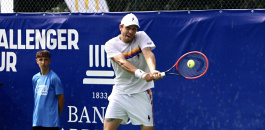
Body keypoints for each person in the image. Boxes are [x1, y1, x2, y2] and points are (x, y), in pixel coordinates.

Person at [104, 13, 163, 130]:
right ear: (121, 27)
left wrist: (153, 70)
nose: (131, 32)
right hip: (120, 93)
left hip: (141, 92)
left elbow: (148, 53)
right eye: (128, 28)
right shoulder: (111, 44)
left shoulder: (141, 36)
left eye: (134, 29)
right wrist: (142, 74)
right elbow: (122, 62)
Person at [32, 50, 65, 130]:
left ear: (49, 61)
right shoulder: (35, 78)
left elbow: (61, 100)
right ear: (37, 61)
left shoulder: (54, 78)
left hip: (51, 124)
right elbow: (37, 99)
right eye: (40, 60)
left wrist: (55, 115)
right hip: (37, 122)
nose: (43, 62)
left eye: (46, 60)